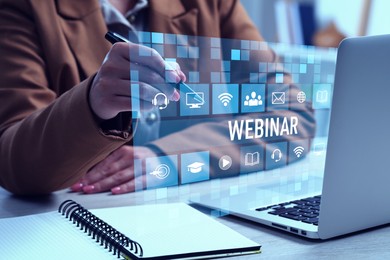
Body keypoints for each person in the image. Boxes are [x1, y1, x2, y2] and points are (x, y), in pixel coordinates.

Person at [0, 0, 315, 195]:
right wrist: (93, 103)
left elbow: (292, 115)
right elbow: (14, 163)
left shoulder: (213, 4)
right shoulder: (24, 7)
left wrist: (167, 156)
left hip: (200, 218)